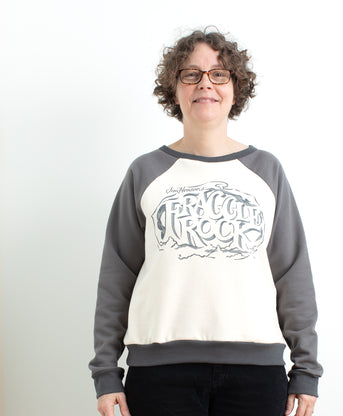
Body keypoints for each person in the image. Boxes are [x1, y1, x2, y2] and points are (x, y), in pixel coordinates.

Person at [88, 27, 323, 416]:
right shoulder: (145, 172)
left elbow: (292, 274)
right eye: (191, 74)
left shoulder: (266, 171)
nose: (205, 84)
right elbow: (117, 278)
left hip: (256, 373)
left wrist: (306, 370)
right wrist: (106, 373)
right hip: (159, 374)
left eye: (218, 74)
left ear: (235, 87)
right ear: (174, 87)